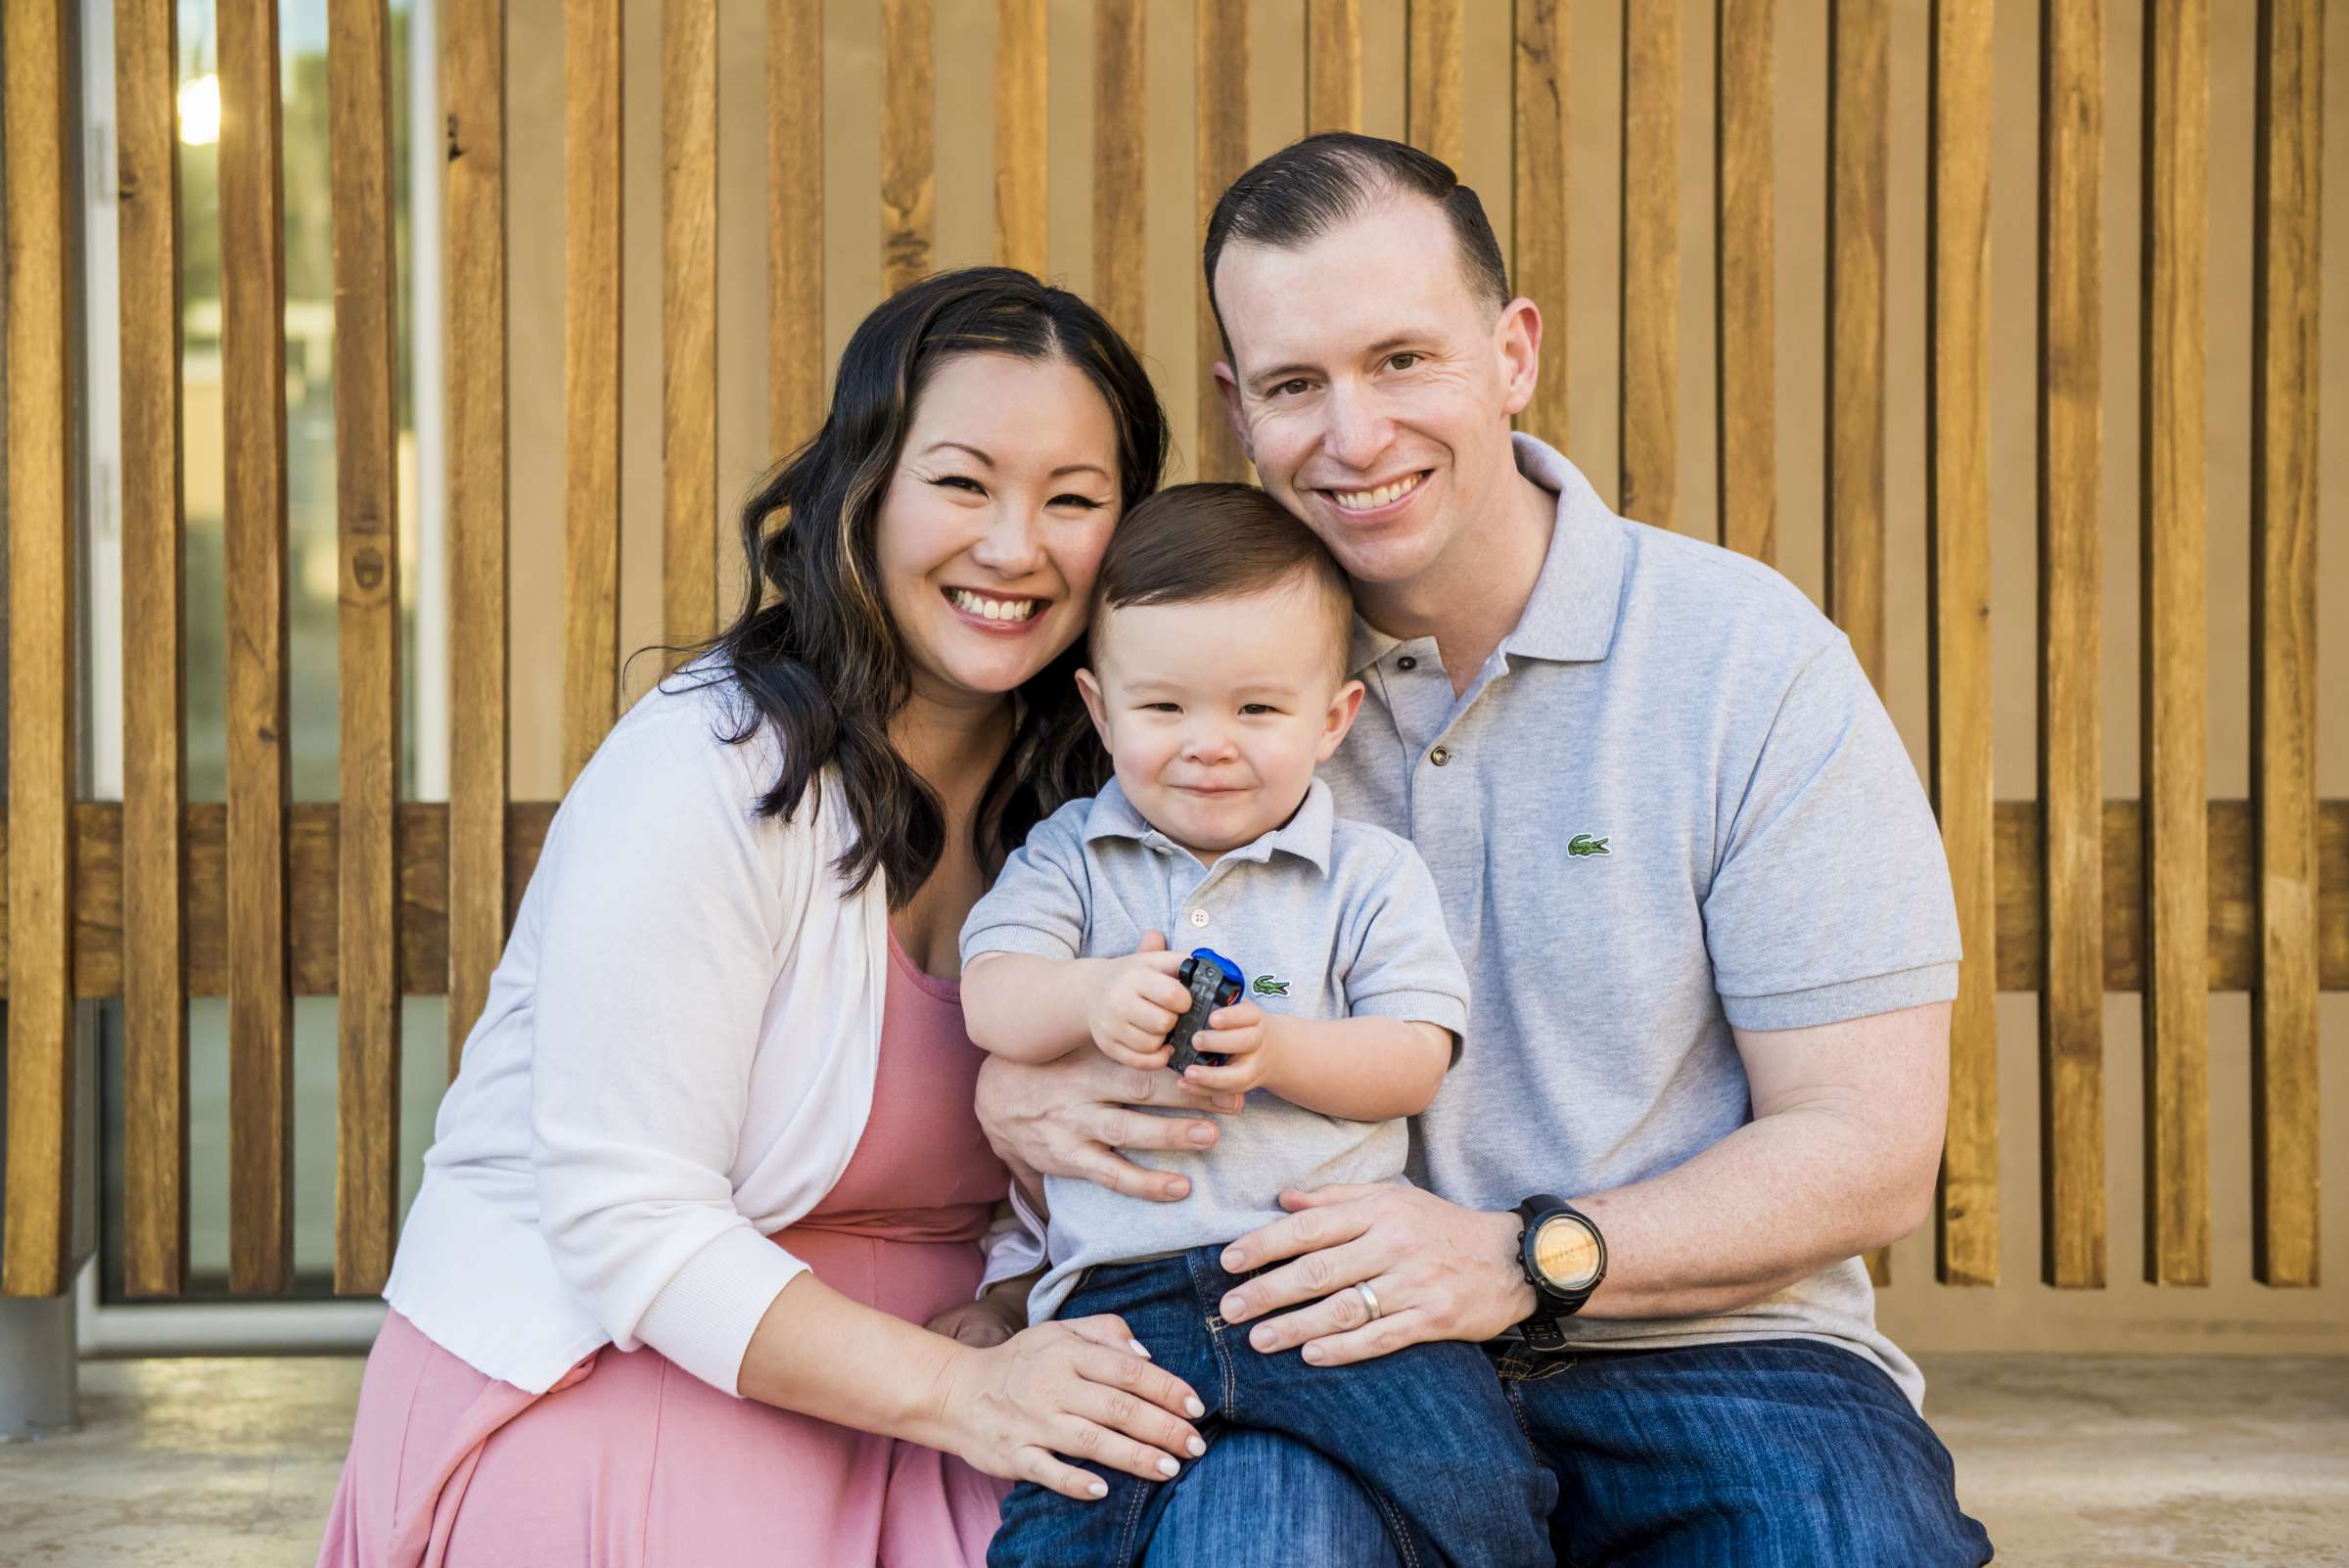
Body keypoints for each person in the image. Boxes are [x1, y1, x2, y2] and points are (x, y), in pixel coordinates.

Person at [972, 135, 1996, 1566]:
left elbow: (1871, 1149)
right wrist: (1019, 1098)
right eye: (1293, 385)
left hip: (1702, 1338)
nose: (1353, 433)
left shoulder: (1743, 658)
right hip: (1301, 1338)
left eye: (1403, 359)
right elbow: (1024, 981)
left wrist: (1524, 1255)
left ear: (1512, 352)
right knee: (1255, 1547)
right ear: (1239, 412)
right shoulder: (1181, 682)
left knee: (1836, 1543)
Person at [316, 268, 1221, 1568]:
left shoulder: (1110, 792)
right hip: (622, 1350)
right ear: (864, 490)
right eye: (963, 483)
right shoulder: (707, 764)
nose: (1016, 546)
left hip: (958, 1381)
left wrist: (1016, 1305)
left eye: (1072, 501)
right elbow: (629, 1219)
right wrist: (966, 1394)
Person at [958, 484, 1557, 1568]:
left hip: (1328, 1274)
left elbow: (1415, 1054)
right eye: (1165, 709)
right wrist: (1090, 995)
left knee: (1477, 1481)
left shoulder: (1369, 876)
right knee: (1067, 1512)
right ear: (1100, 710)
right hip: (1121, 1294)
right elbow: (992, 992)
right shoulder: (1070, 857)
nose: (1208, 747)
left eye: (1256, 710)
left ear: (1334, 719)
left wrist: (1284, 1053)